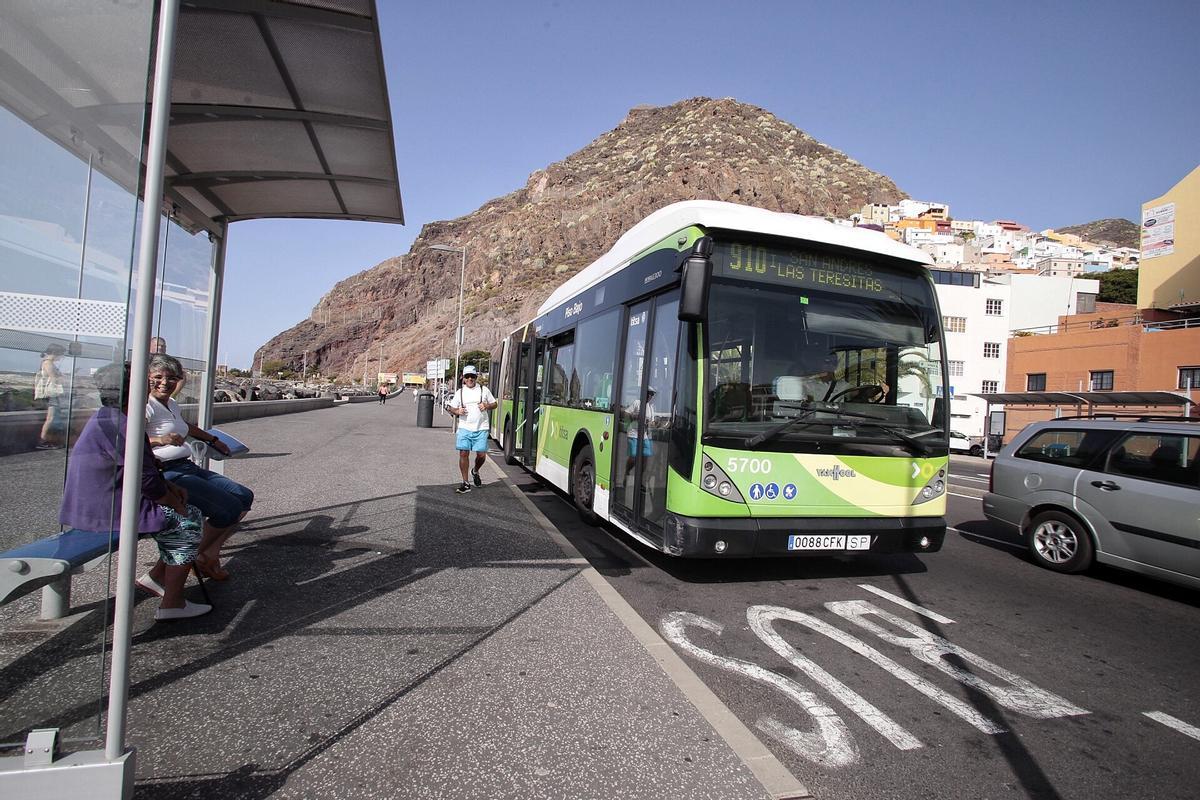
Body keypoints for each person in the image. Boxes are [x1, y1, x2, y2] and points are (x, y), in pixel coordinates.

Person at [60, 361, 210, 620]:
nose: (152, 387)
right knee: (188, 521)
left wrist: (170, 487)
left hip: (92, 503)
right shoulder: (126, 426)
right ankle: (173, 603)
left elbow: (142, 468)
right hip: (107, 509)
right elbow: (146, 481)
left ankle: (158, 579)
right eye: (147, 382)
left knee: (184, 514)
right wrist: (175, 502)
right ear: (134, 389)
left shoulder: (108, 417)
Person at [145, 354, 253, 580]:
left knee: (244, 496)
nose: (165, 382)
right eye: (158, 377)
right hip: (167, 472)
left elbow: (187, 428)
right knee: (228, 510)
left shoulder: (171, 403)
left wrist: (213, 440)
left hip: (187, 466)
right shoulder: (147, 407)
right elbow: (130, 439)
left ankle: (208, 553)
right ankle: (196, 555)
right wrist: (159, 440)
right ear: (147, 378)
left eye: (172, 378)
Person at [446, 365, 496, 493]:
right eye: (467, 376)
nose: (470, 379)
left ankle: (475, 470)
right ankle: (466, 482)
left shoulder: (484, 390)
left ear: (476, 377)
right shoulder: (460, 392)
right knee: (463, 453)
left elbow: (494, 403)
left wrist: (486, 405)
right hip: (464, 428)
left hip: (481, 428)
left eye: (472, 376)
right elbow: (451, 407)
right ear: (463, 378)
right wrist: (457, 410)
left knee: (481, 455)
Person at [35, 344, 67, 449]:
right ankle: (43, 441)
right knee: (51, 418)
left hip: (51, 394)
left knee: (52, 418)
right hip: (51, 394)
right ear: (55, 353)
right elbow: (54, 377)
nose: (61, 357)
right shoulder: (48, 363)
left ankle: (46, 440)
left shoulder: (47, 362)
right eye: (61, 354)